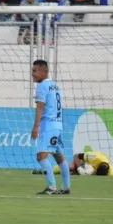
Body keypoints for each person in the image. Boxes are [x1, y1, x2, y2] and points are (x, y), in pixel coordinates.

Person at [30, 59, 70, 195]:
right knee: (59, 157)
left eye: (35, 71)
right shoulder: (54, 85)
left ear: (43, 72)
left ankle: (51, 187)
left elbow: (40, 107)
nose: (32, 74)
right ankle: (66, 187)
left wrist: (35, 127)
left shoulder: (41, 86)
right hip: (58, 125)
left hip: (48, 125)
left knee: (41, 156)